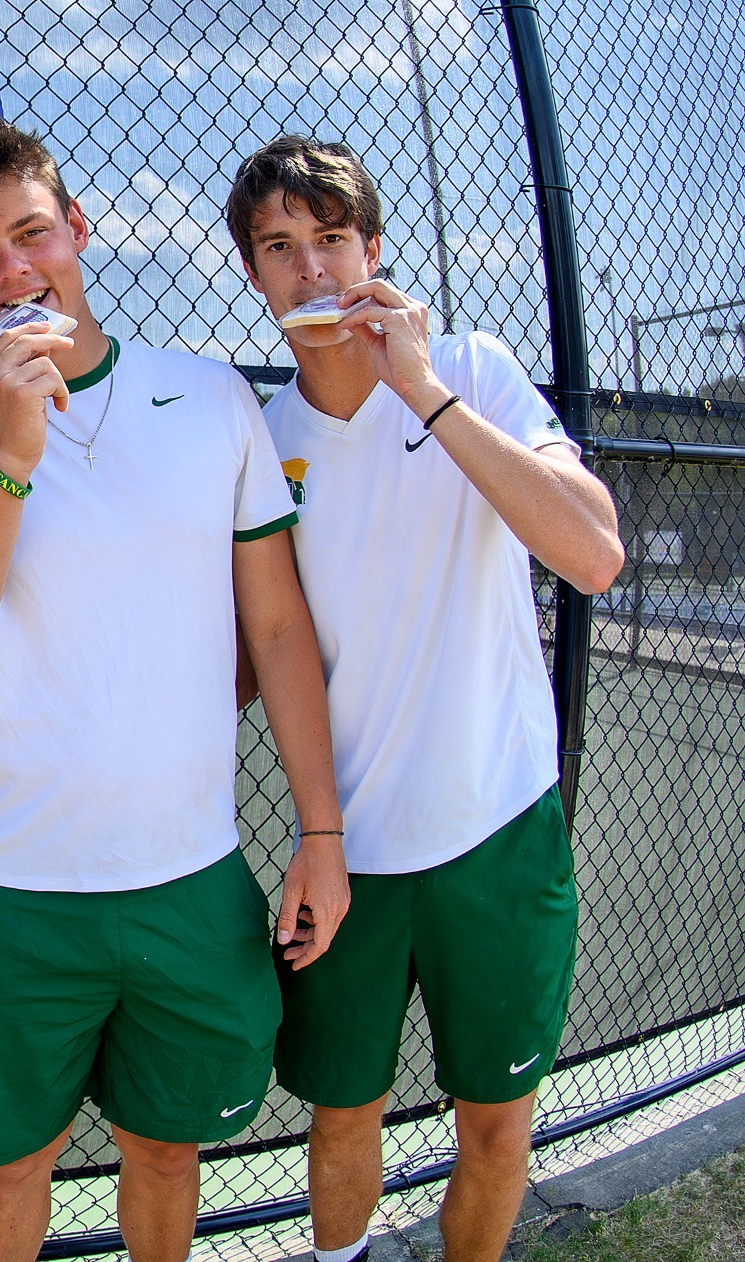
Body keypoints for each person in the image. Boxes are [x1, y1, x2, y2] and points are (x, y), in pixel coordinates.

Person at [0, 111, 349, 1262]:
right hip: (10, 885)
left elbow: (276, 629)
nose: (13, 270)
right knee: (10, 1165)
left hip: (186, 876)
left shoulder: (210, 395)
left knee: (165, 1150)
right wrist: (10, 453)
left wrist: (320, 831)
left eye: (30, 233)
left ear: (76, 228)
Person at [225, 135, 624, 1262]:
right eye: (279, 247)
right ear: (253, 276)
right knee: (339, 1110)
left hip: (495, 826)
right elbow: (250, 655)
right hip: (344, 845)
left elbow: (591, 556)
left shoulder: (470, 367)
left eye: (331, 240)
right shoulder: (260, 440)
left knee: (493, 1118)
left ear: (373, 251)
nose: (311, 271)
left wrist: (422, 390)